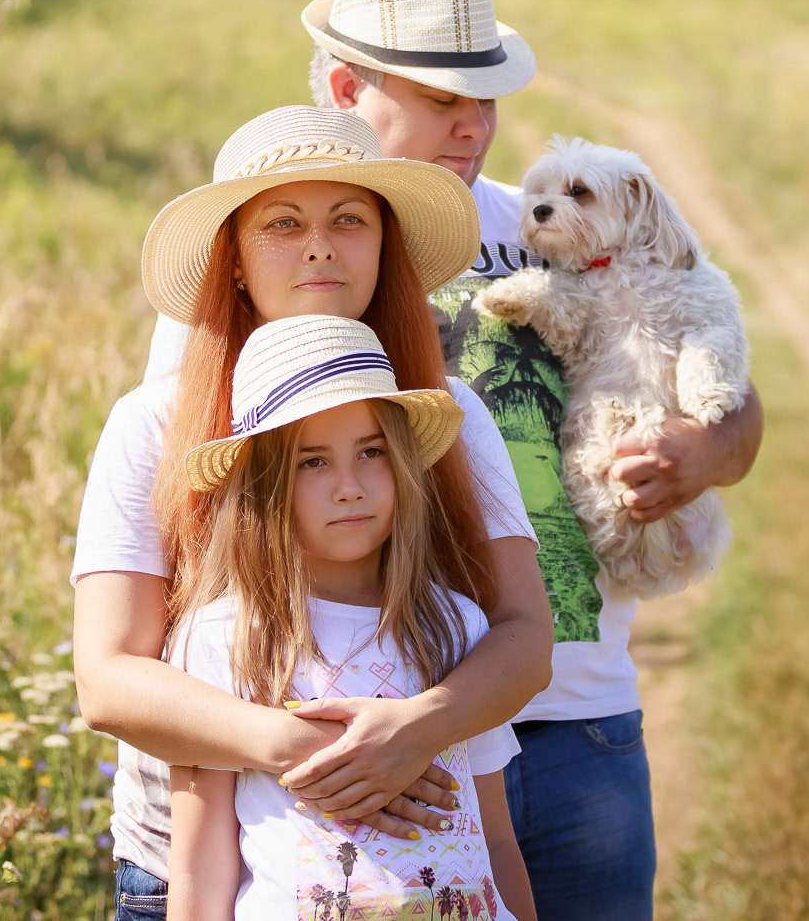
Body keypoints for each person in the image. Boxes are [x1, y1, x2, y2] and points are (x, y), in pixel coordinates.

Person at [145, 0, 764, 920]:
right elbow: (186, 484)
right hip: (353, 729)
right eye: (443, 100)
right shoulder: (263, 261)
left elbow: (719, 371)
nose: (476, 125)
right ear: (348, 86)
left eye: (486, 99)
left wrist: (703, 451)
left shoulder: (552, 222)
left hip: (573, 714)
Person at [74, 106, 555, 920]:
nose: (321, 245)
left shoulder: (446, 412)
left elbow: (523, 633)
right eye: (283, 223)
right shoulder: (155, 422)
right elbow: (108, 679)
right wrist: (308, 749)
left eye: (350, 220)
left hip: (428, 868)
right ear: (232, 259)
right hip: (190, 871)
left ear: (383, 244)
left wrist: (418, 729)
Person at [162, 315, 537, 921]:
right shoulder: (223, 640)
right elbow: (200, 865)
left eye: (371, 452)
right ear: (263, 483)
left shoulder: (458, 628)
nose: (349, 487)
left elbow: (494, 836)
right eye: (312, 462)